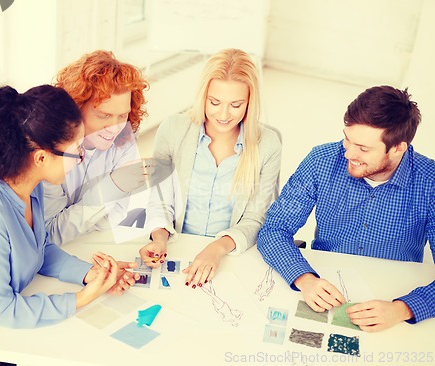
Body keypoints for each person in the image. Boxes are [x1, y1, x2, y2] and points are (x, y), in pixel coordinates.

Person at [0, 85, 139, 366]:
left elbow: (38, 246)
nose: (80, 160)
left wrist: (90, 274)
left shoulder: (30, 188)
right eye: (75, 151)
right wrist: (80, 299)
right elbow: (3, 310)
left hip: (2, 333)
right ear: (41, 158)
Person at [257, 85, 435, 332]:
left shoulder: (430, 182)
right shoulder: (322, 160)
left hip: (394, 297)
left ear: (397, 148)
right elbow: (274, 229)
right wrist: (304, 278)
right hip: (325, 285)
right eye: (347, 139)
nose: (348, 153)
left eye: (363, 148)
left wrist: (403, 308)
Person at [139, 48, 282, 287]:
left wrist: (216, 249)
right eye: (214, 102)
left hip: (230, 253)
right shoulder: (173, 129)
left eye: (236, 105)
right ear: (203, 96)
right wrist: (159, 238)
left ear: (250, 102)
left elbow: (257, 217)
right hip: (176, 246)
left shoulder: (268, 143)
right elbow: (160, 199)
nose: (223, 114)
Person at [44, 50, 150, 245]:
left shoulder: (123, 140)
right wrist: (113, 186)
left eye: (122, 116)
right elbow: (50, 233)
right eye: (103, 116)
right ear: (76, 107)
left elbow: (118, 216)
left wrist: (75, 220)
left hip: (94, 245)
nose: (115, 128)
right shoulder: (51, 149)